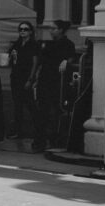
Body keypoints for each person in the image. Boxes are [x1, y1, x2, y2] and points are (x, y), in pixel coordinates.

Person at [31, 20, 75, 152]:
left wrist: (66, 62)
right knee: (42, 112)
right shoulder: (48, 45)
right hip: (45, 80)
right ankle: (41, 141)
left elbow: (71, 58)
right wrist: (36, 79)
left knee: (56, 111)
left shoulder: (68, 44)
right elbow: (41, 61)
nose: (51, 30)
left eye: (54, 28)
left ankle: (55, 139)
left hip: (57, 82)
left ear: (61, 30)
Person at [7, 21, 40, 140]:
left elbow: (35, 63)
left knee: (30, 104)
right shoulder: (16, 44)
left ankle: (39, 130)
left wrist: (30, 79)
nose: (22, 31)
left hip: (26, 77)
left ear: (30, 31)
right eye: (20, 29)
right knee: (17, 105)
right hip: (15, 77)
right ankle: (18, 131)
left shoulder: (33, 45)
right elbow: (11, 60)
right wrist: (11, 56)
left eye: (25, 29)